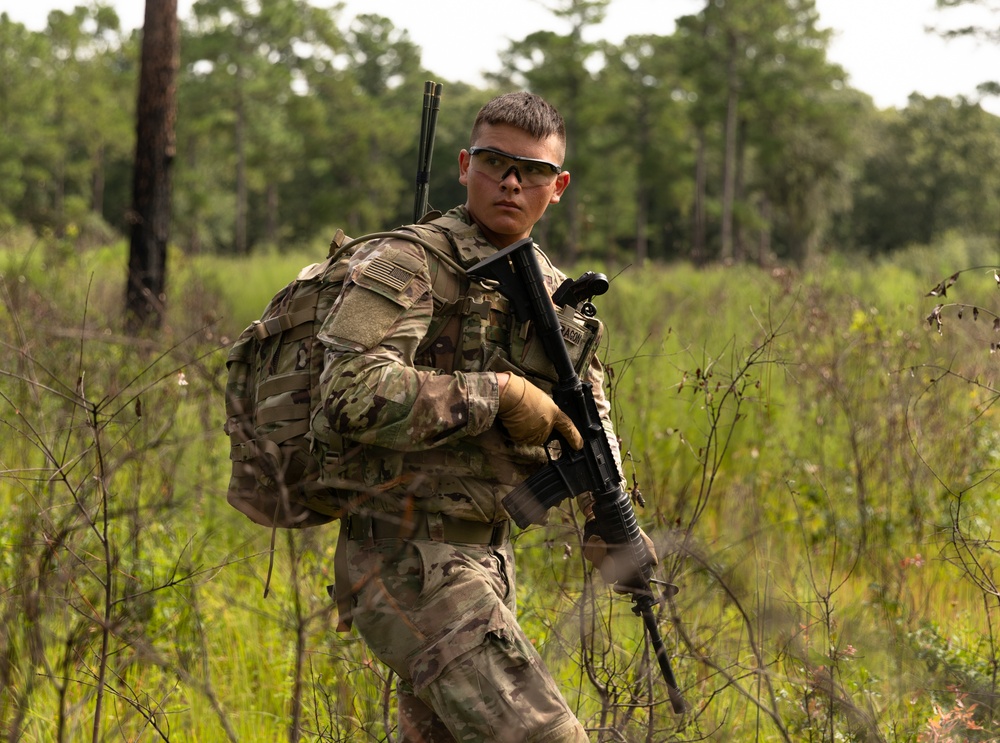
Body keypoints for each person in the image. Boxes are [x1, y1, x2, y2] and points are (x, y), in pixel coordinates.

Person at [315, 91, 651, 743]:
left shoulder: (552, 289)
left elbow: (588, 409)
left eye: (533, 171)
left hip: (484, 555)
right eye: (496, 163)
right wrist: (495, 394)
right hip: (403, 552)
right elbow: (346, 389)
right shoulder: (407, 263)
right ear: (467, 164)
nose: (512, 181)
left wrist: (612, 514)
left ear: (559, 186)